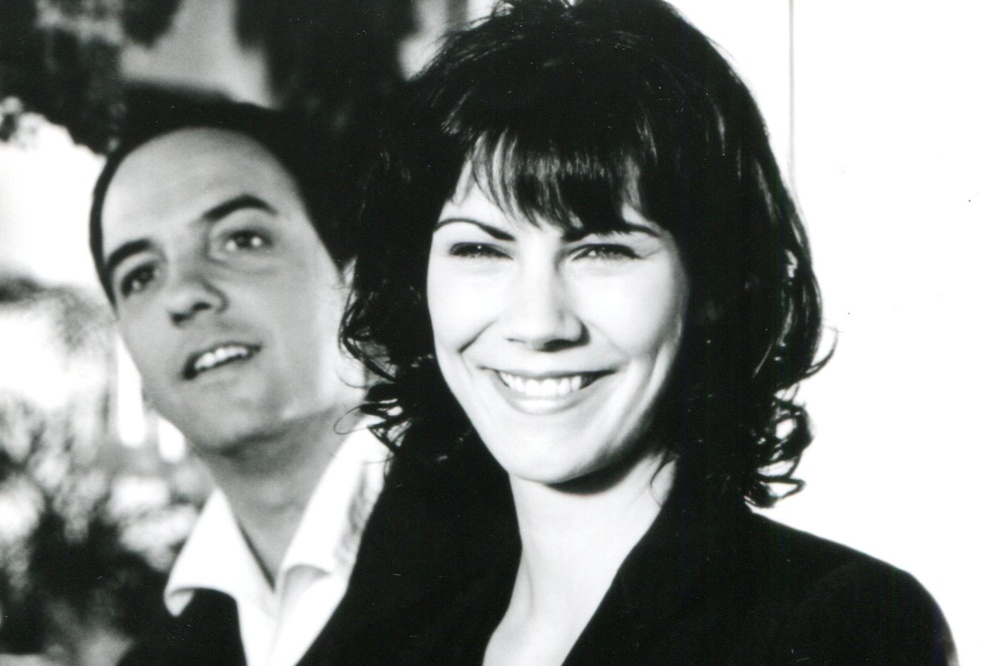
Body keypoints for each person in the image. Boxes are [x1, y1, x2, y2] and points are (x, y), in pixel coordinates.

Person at [339, 0, 958, 664]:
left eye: (603, 250)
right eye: (481, 250)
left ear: (715, 281)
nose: (537, 324)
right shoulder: (402, 641)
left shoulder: (839, 624)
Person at [89, 101, 387, 666]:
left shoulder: (517, 548)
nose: (184, 294)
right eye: (140, 275)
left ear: (355, 284)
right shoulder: (160, 659)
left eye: (240, 240)